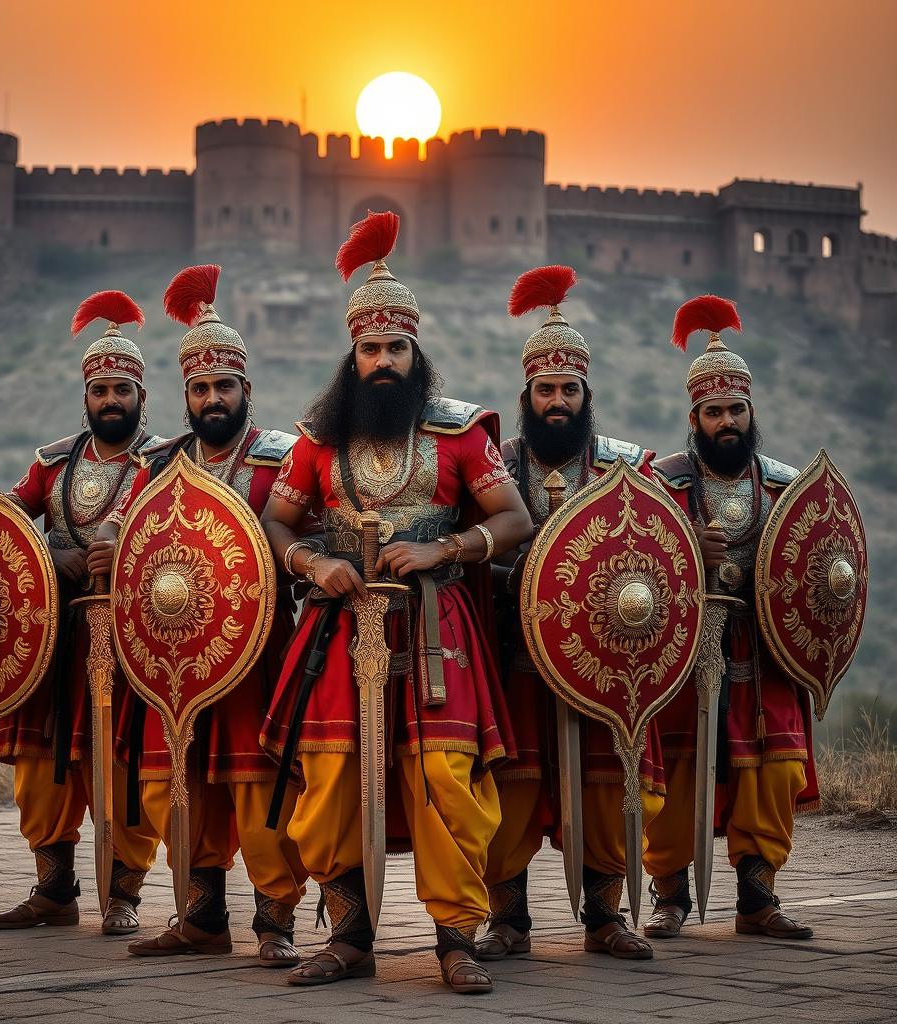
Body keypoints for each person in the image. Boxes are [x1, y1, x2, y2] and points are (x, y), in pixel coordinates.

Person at [257, 211, 533, 993]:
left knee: (446, 775)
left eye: (396, 349)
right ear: (353, 355)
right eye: (370, 348)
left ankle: (456, 941)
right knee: (331, 777)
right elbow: (275, 523)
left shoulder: (458, 436)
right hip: (337, 633)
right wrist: (312, 561)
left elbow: (514, 520)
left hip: (436, 628)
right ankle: (348, 936)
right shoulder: (317, 440)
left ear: (417, 355)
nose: (382, 360)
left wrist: (444, 549)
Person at [87, 265, 308, 965]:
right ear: (185, 395)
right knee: (171, 787)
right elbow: (123, 532)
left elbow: (312, 533)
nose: (213, 399)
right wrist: (107, 551)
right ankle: (201, 916)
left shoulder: (282, 458)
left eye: (224, 387)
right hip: (171, 658)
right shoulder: (158, 465)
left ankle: (275, 925)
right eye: (201, 389)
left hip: (256, 653)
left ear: (247, 390)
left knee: (258, 788)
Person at [0, 291, 163, 933]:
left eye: (121, 390)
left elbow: (184, 541)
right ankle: (55, 891)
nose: (110, 401)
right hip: (54, 640)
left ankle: (123, 895)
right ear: (85, 398)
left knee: (125, 770)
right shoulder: (51, 464)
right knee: (43, 771)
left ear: (141, 397)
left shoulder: (169, 462)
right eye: (100, 390)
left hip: (132, 641)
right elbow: (6, 526)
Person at [479, 265, 663, 963]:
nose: (557, 401)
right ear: (527, 394)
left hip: (602, 668)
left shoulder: (627, 471)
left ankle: (606, 917)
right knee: (511, 789)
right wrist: (514, 578)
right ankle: (509, 920)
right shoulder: (495, 467)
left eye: (569, 390)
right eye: (545, 390)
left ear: (587, 395)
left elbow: (653, 560)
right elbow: (475, 556)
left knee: (606, 783)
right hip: (517, 660)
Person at [642, 294, 818, 940]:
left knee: (775, 768)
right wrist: (688, 544)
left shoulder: (784, 485)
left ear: (752, 413)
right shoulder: (665, 484)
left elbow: (816, 561)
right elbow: (634, 567)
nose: (726, 422)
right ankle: (669, 894)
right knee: (678, 771)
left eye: (736, 410)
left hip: (767, 648)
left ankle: (758, 896)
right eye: (713, 411)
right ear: (695, 417)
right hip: (688, 650)